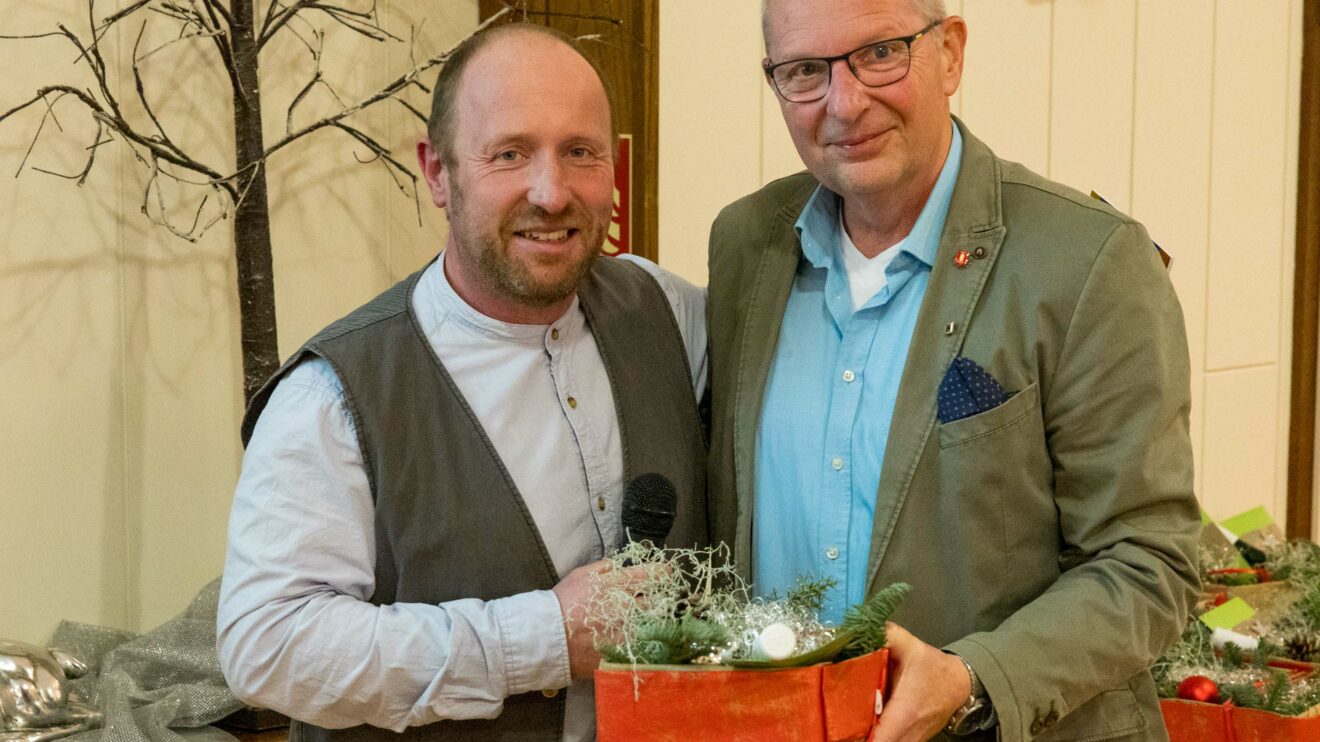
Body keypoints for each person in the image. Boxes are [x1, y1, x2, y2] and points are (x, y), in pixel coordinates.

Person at [705, 0, 1200, 739]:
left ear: (951, 53)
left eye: (880, 53)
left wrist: (974, 680)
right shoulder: (746, 243)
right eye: (806, 71)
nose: (844, 102)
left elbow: (1149, 563)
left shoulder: (1088, 260)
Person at [217, 24, 708, 742]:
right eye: (509, 154)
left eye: (580, 152)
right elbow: (268, 647)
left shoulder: (668, 311)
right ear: (438, 171)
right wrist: (540, 637)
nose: (551, 191)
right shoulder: (333, 396)